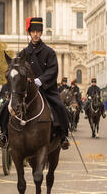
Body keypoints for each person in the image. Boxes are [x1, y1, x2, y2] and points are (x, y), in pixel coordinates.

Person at [18, 17, 70, 149]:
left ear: (41, 33)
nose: (35, 34)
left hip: (45, 89)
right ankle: (4, 135)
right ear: (29, 33)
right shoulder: (23, 53)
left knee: (60, 107)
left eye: (38, 31)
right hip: (27, 91)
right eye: (33, 31)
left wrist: (40, 80)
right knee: (8, 106)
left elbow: (53, 70)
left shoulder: (49, 52)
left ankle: (63, 136)